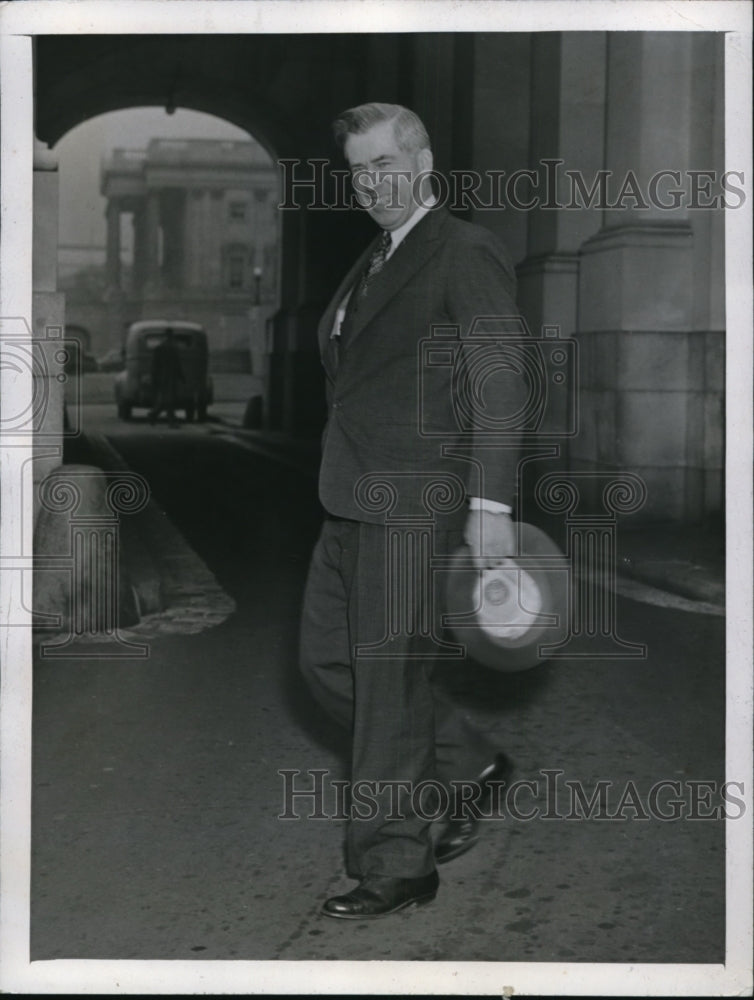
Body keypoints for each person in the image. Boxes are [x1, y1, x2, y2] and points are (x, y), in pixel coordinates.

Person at [299, 103, 527, 919]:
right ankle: (465, 764)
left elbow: (500, 380)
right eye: (360, 170)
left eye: (387, 165)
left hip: (413, 505)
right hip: (349, 498)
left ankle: (397, 864)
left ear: (424, 162)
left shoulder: (461, 250)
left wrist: (489, 501)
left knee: (386, 689)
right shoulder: (376, 257)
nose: (374, 183)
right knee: (326, 665)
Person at [148, 327, 184, 427]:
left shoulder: (160, 348)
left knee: (166, 400)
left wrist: (154, 377)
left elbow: (154, 364)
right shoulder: (173, 347)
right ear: (171, 335)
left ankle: (154, 414)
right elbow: (177, 364)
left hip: (162, 377)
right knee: (169, 400)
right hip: (170, 377)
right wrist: (181, 377)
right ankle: (170, 421)